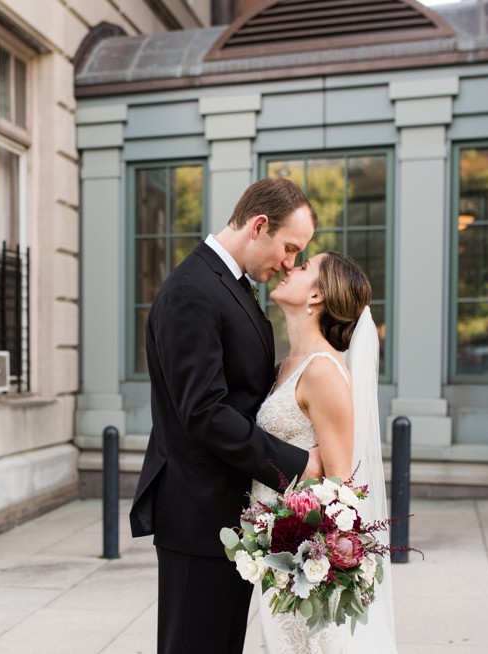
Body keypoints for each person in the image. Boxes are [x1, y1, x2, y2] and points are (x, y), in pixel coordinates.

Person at [130, 178, 323, 654]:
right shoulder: (192, 291)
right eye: (290, 248)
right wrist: (298, 465)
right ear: (260, 226)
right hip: (199, 517)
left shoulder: (228, 285)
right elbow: (205, 412)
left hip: (228, 516)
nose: (290, 264)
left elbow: (242, 394)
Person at [251, 251, 397, 653]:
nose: (287, 268)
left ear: (316, 295)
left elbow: (340, 488)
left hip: (299, 562)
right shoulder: (285, 365)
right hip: (273, 554)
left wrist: (308, 564)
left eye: (302, 268)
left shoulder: (323, 371)